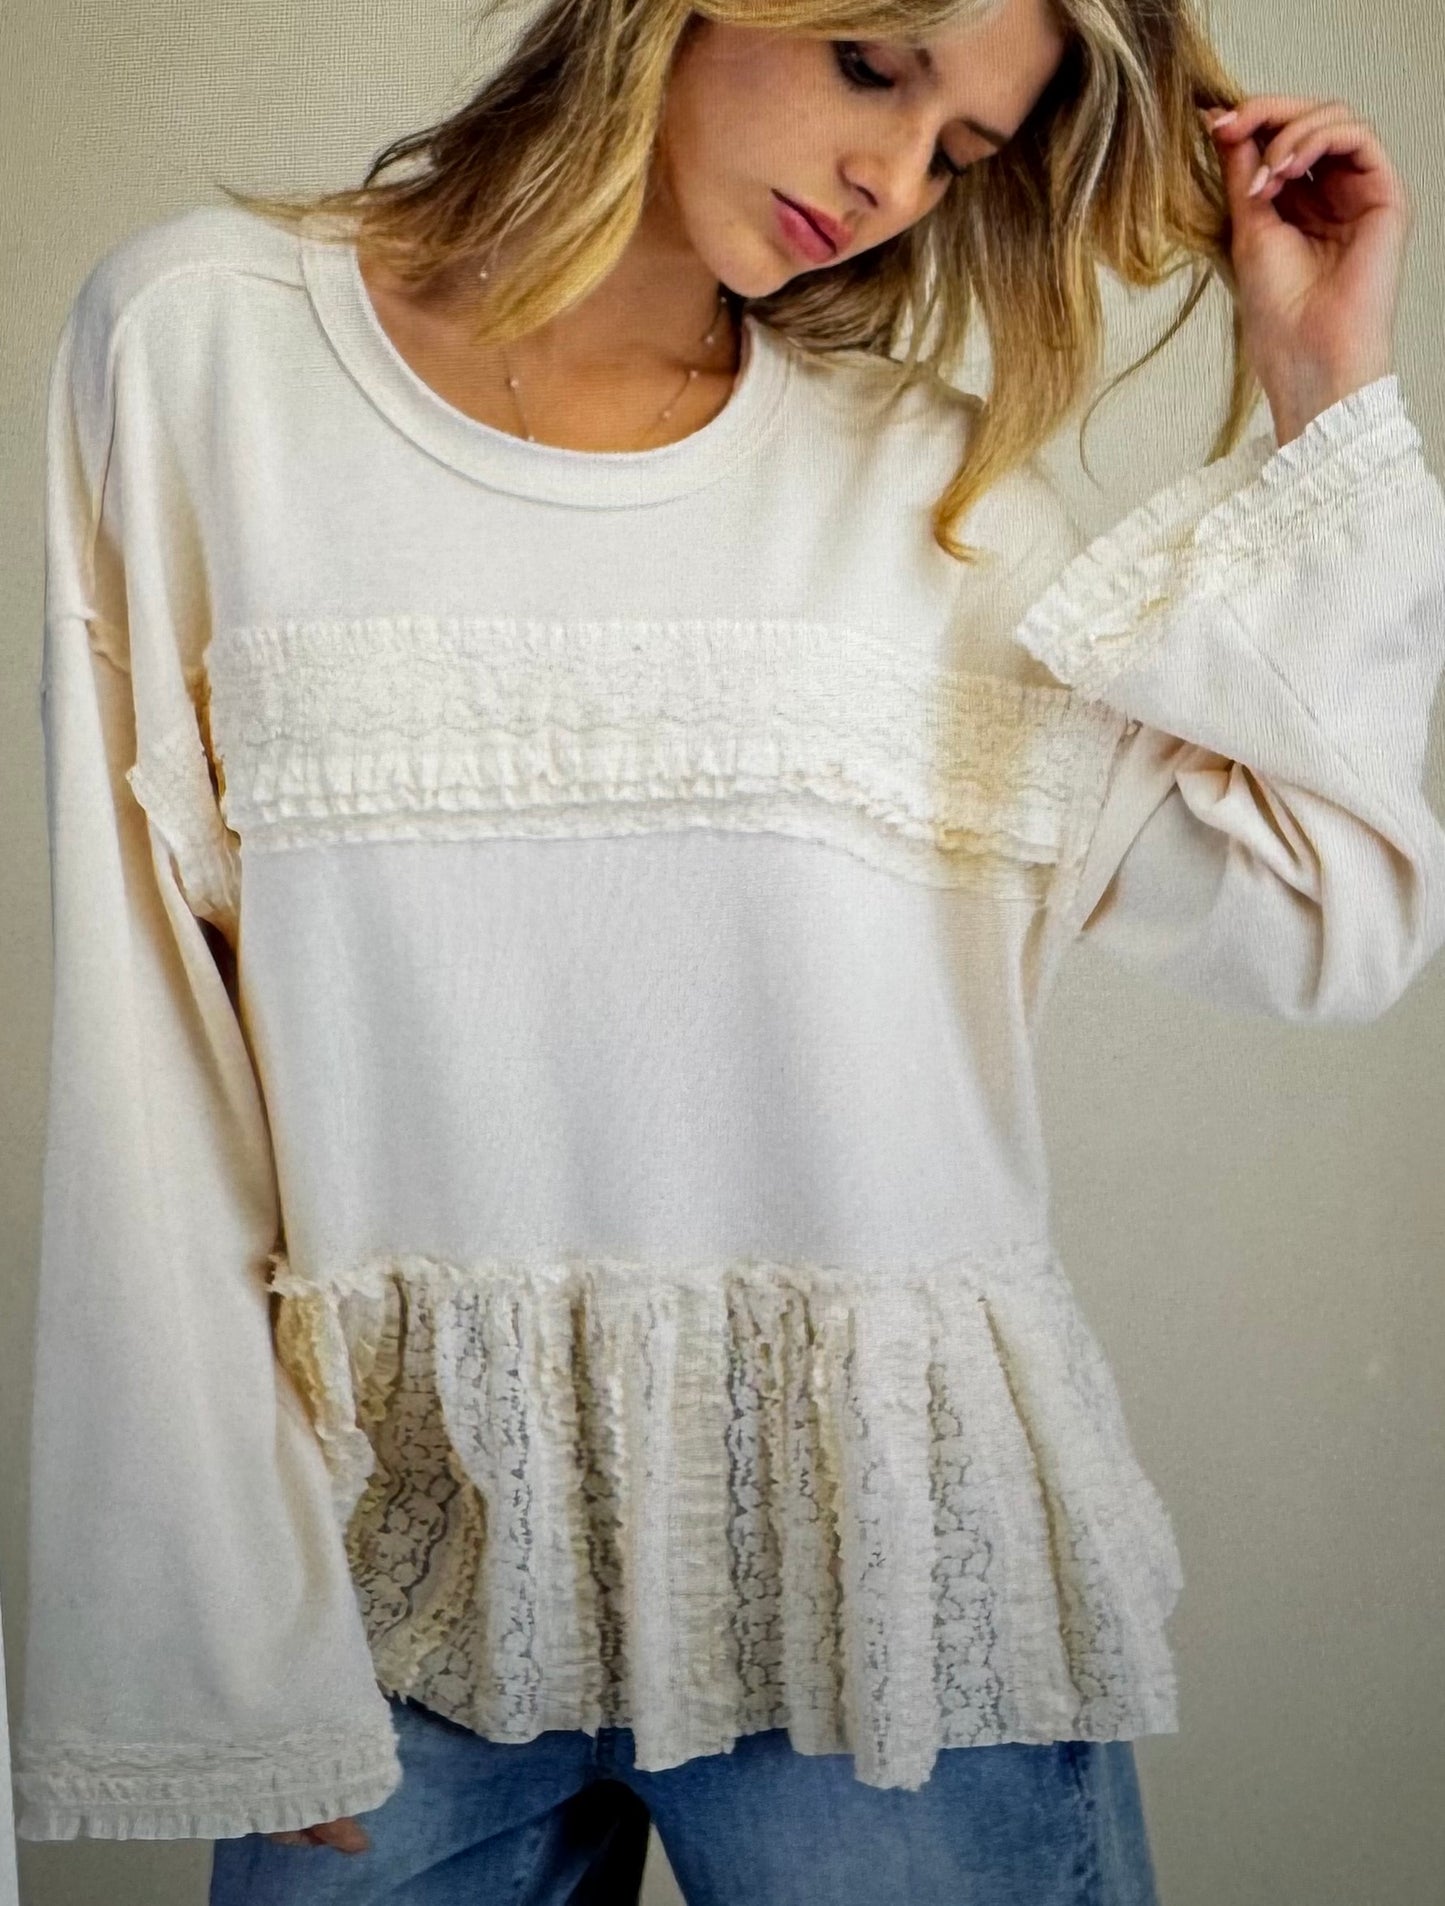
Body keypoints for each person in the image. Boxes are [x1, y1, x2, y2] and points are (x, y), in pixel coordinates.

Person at [15, 0, 1445, 1901]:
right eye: (871, 65)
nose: (886, 179)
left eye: (957, 153)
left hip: (881, 1614)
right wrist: (220, 1617)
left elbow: (1330, 927)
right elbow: (146, 1038)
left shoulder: (929, 495)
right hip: (389, 1600)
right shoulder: (202, 355)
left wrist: (1321, 388)